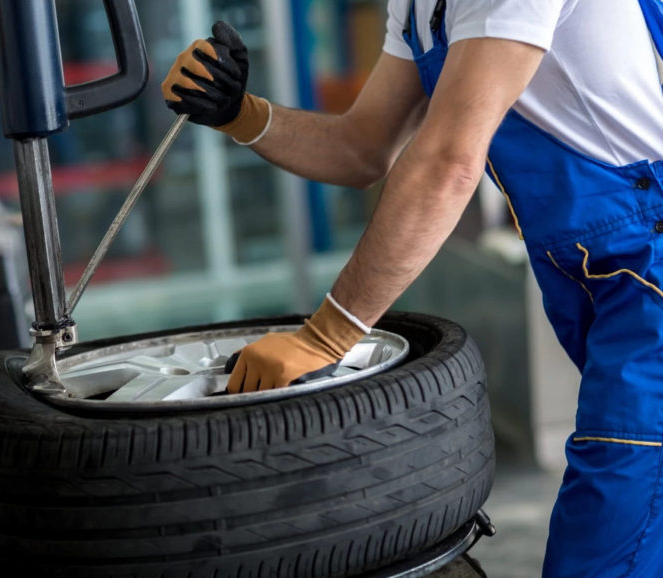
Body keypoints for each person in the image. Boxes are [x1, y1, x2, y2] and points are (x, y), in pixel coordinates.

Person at [162, 1, 663, 576]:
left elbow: (449, 160)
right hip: (591, 275)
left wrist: (327, 337)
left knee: (607, 538)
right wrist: (239, 113)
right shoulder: (417, 7)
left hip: (647, 266)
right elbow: (362, 147)